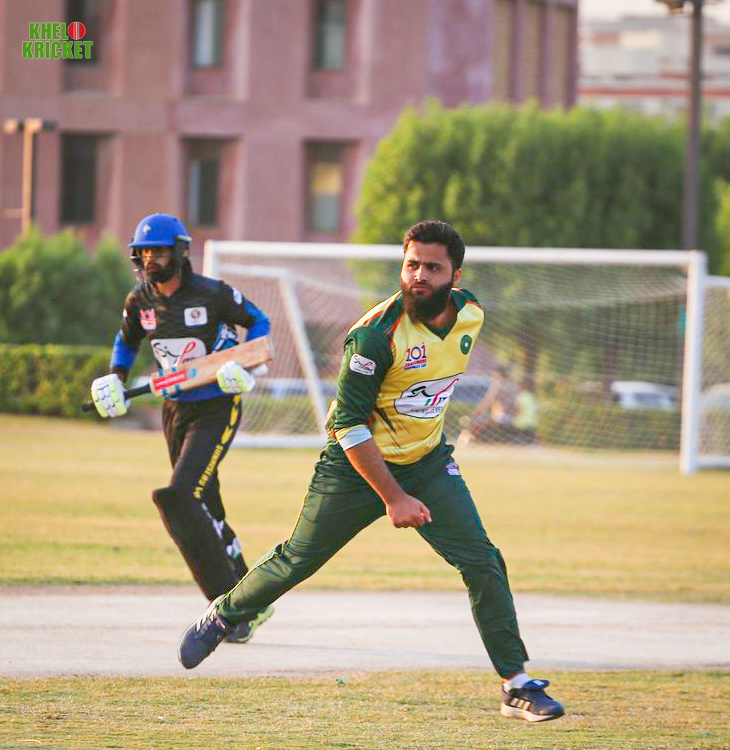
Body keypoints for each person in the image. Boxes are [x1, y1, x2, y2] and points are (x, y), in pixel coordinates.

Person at [177, 220, 564, 722]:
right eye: (412, 264)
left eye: (432, 267)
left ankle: (517, 685)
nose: (419, 275)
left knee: (483, 562)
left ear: (455, 275)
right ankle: (225, 612)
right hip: (354, 468)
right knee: (298, 560)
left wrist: (415, 471)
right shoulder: (375, 336)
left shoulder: (471, 314)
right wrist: (394, 498)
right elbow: (347, 424)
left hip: (427, 463)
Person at [90, 212, 274, 644]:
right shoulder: (140, 301)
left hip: (217, 405)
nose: (151, 259)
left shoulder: (213, 294)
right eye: (144, 253)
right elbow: (126, 340)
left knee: (180, 496)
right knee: (206, 507)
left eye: (159, 251)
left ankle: (231, 610)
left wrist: (246, 364)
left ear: (180, 252)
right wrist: (116, 376)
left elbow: (260, 323)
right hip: (174, 410)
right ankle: (254, 598)